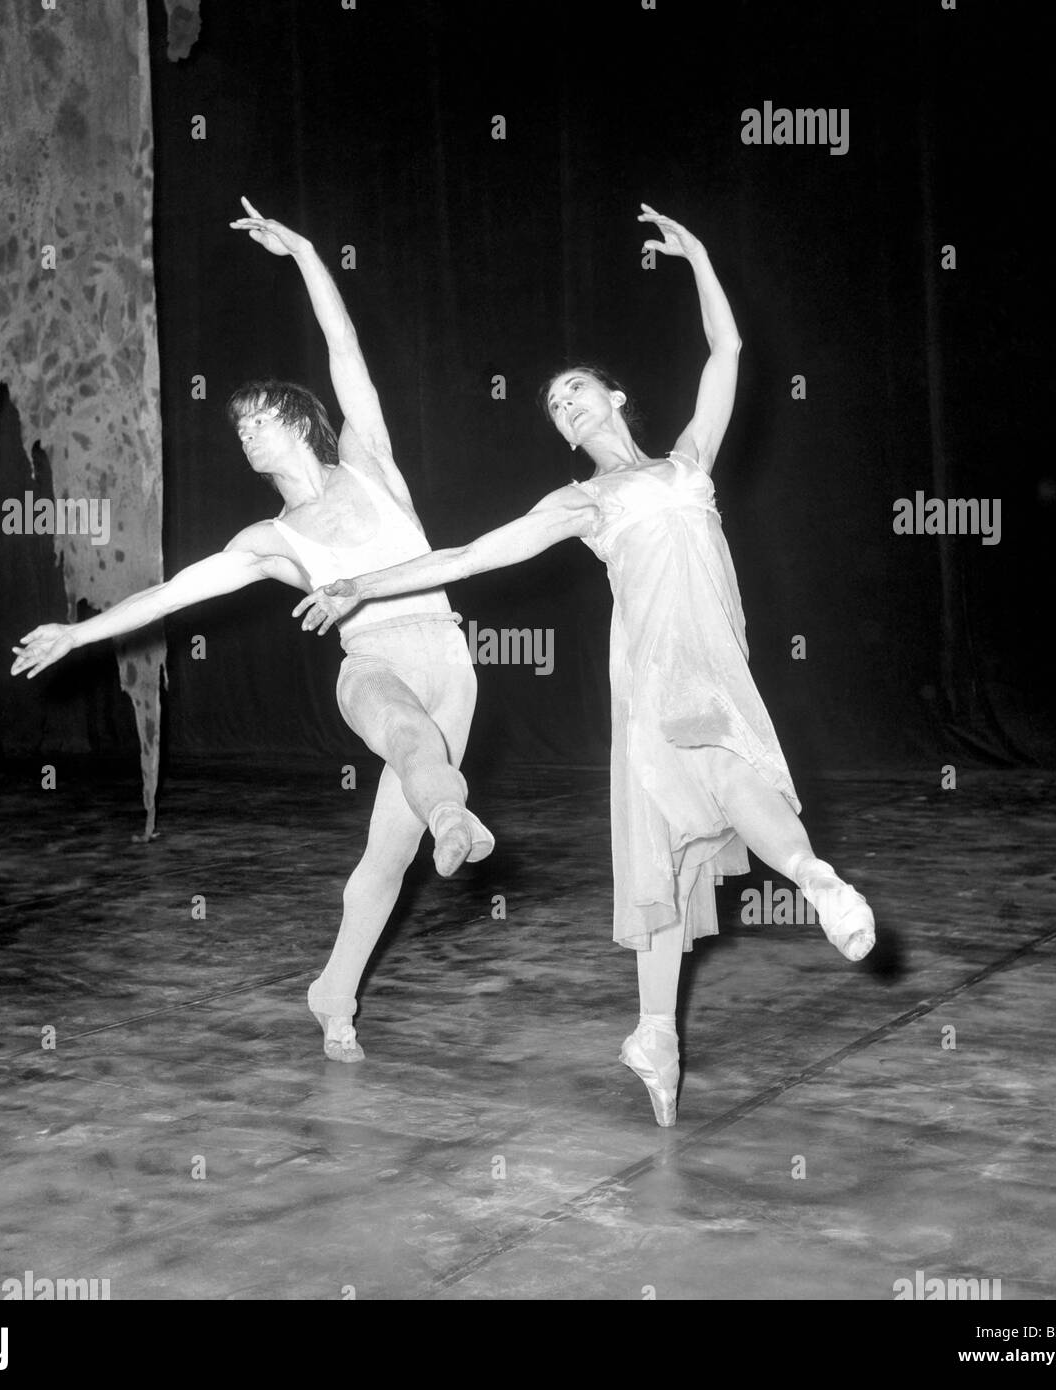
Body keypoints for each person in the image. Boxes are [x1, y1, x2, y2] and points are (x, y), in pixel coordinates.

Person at [292, 204, 876, 1126]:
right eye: (555, 406)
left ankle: (655, 1032)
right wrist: (364, 584)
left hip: (722, 660)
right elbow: (473, 556)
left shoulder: (687, 462)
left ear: (614, 398)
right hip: (662, 671)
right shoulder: (582, 500)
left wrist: (701, 257)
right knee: (727, 781)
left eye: (576, 390)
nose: (566, 404)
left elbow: (725, 357)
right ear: (567, 435)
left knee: (679, 856)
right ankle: (815, 881)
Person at [11, 198, 493, 1065]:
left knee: (388, 862)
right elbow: (171, 596)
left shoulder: (370, 461)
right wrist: (77, 638)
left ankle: (332, 991)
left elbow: (345, 349)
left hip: (450, 657)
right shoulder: (268, 543)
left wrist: (306, 252)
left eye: (257, 418)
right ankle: (458, 817)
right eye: (236, 427)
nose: (244, 433)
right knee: (417, 747)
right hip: (372, 665)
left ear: (300, 421)